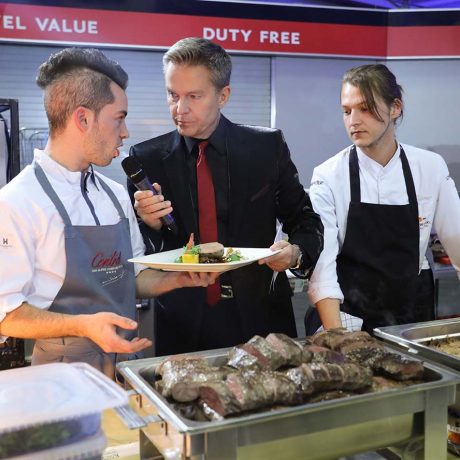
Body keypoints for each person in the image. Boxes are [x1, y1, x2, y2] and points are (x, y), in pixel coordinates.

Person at [0, 47, 217, 377]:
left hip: (125, 369)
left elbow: (132, 276)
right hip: (61, 377)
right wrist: (83, 326)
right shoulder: (17, 202)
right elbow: (6, 313)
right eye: (119, 118)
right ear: (83, 119)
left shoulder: (114, 195)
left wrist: (178, 279)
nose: (125, 132)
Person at [129, 37, 324, 355]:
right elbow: (145, 253)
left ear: (223, 95)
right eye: (173, 95)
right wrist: (150, 223)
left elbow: (304, 219)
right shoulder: (146, 159)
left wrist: (296, 254)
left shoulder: (266, 148)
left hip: (261, 316)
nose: (180, 109)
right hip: (182, 322)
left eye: (194, 96)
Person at [306, 63, 460, 335]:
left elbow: (457, 240)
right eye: (347, 111)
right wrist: (338, 338)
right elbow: (323, 268)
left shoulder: (429, 168)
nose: (353, 120)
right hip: (348, 318)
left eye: (365, 108)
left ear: (395, 107)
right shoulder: (328, 175)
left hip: (411, 317)